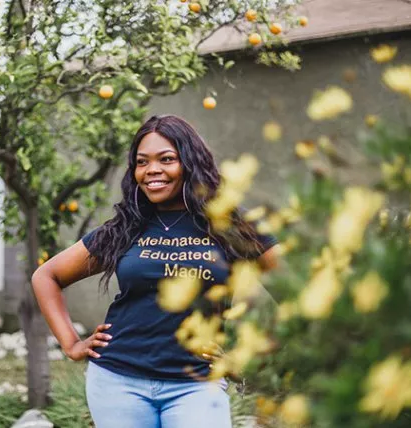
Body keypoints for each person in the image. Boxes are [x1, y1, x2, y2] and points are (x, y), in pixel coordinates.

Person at [32, 114, 279, 428]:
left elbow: (298, 291)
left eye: (167, 159)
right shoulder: (126, 228)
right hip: (117, 381)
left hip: (196, 384)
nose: (152, 171)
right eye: (142, 162)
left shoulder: (228, 224)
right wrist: (71, 343)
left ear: (191, 163)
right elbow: (46, 276)